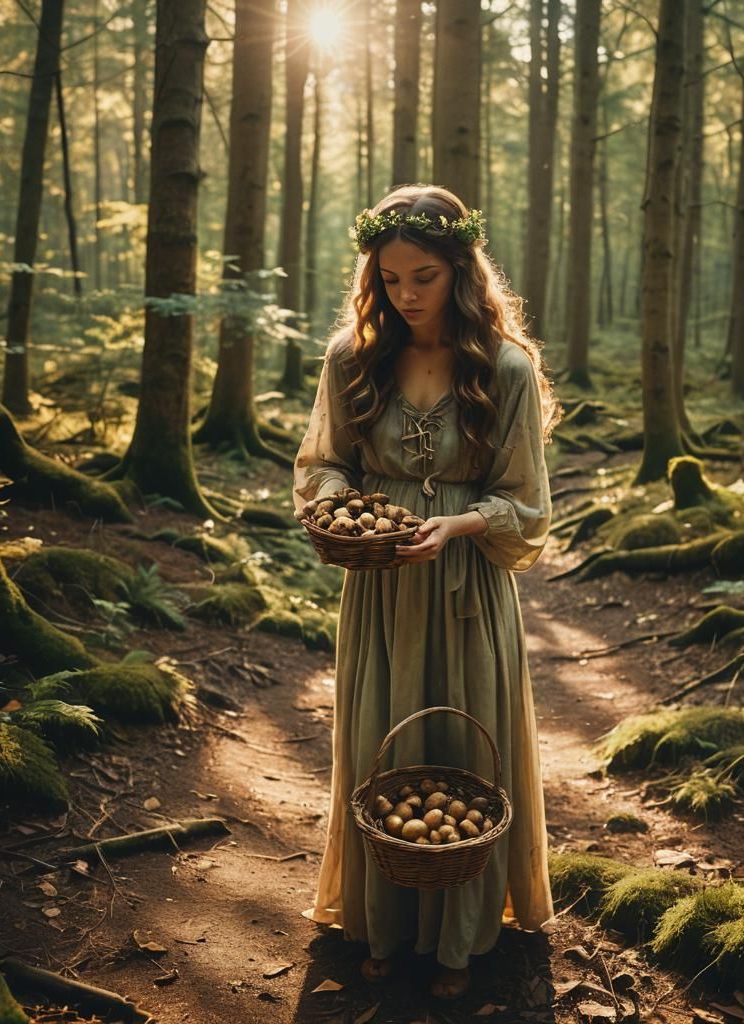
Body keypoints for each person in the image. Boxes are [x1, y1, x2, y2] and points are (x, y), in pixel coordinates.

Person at [292, 184, 560, 1001]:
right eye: (391, 278)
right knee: (382, 740)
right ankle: (382, 924)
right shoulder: (352, 358)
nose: (406, 296)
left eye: (426, 277)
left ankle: (459, 938)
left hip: (466, 589)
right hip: (380, 593)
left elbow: (528, 505)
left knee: (463, 749)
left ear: (462, 272)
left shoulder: (504, 369)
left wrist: (456, 526)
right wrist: (343, 506)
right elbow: (323, 461)